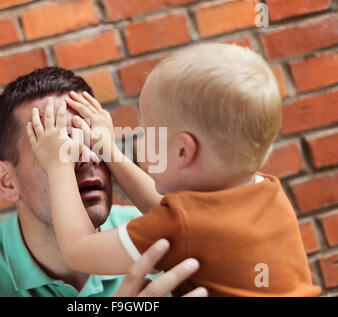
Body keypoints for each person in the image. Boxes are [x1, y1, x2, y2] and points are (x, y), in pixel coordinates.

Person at [27, 44, 321, 297]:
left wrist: (58, 164)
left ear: (182, 151)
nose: (140, 144)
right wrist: (108, 150)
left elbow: (80, 250)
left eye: (146, 133)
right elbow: (176, 215)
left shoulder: (182, 223)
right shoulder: (266, 191)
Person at [0, 67, 207, 297]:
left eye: (93, 140)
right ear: (7, 182)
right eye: (55, 147)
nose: (86, 158)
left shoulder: (156, 234)